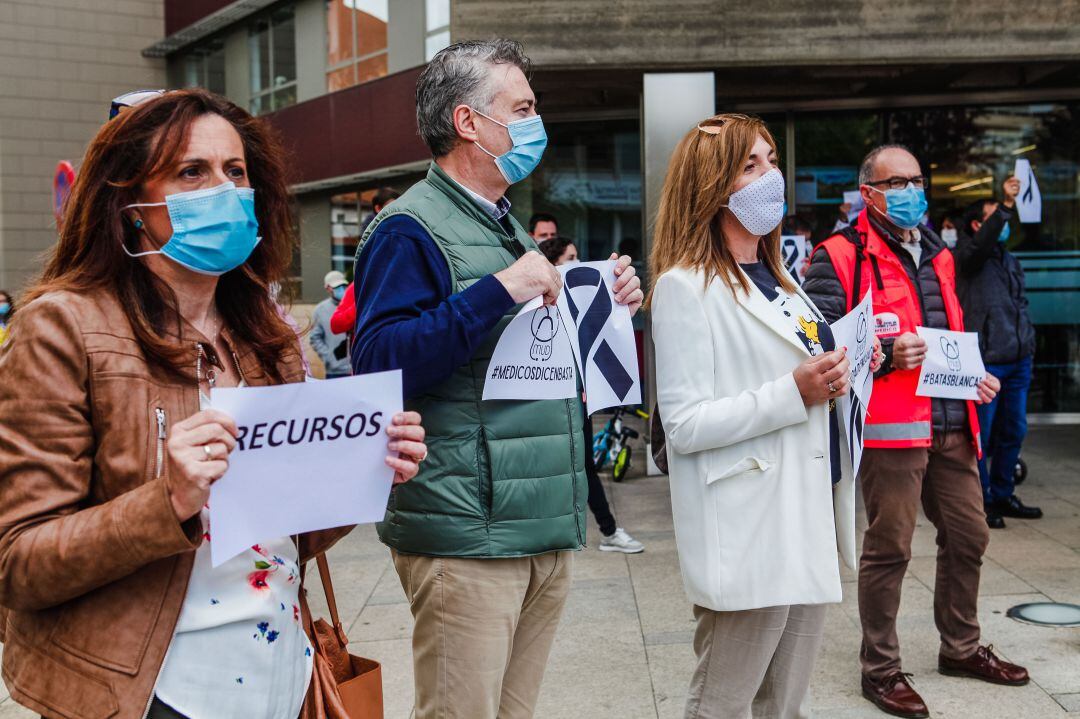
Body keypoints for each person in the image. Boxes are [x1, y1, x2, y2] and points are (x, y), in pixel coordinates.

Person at [0, 88, 427, 719]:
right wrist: (167, 501)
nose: (223, 190)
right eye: (191, 171)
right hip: (151, 691)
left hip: (281, 676)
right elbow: (18, 561)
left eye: (236, 172)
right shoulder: (61, 328)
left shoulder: (269, 338)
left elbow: (285, 534)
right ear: (131, 204)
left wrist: (365, 471)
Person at [351, 40, 643, 719]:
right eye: (523, 108)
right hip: (468, 535)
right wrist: (498, 289)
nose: (537, 123)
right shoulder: (408, 228)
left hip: (538, 525)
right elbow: (378, 363)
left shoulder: (505, 223)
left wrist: (605, 301)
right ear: (468, 123)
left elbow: (531, 353)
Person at [650, 113, 865, 719]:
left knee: (785, 704)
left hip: (805, 512)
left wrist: (843, 367)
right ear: (713, 184)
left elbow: (804, 371)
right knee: (722, 703)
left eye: (772, 161)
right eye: (751, 165)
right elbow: (685, 424)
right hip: (747, 526)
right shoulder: (684, 288)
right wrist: (794, 392)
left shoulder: (781, 280)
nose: (770, 176)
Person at [803, 144, 1028, 719]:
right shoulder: (838, 254)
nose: (911, 191)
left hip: (952, 424)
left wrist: (973, 378)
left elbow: (948, 329)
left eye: (917, 180)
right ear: (870, 193)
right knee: (890, 548)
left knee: (970, 534)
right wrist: (881, 350)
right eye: (897, 182)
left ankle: (962, 647)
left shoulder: (940, 253)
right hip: (891, 430)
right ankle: (880, 670)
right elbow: (818, 339)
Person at [539, 234, 644, 554]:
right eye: (570, 258)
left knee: (583, 464)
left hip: (574, 399)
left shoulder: (580, 300)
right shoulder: (541, 306)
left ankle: (608, 529)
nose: (577, 262)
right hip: (550, 403)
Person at [954, 177, 1041, 528]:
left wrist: (1029, 343)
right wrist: (1005, 206)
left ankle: (1004, 494)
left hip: (1018, 361)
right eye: (996, 220)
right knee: (983, 436)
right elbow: (984, 243)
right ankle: (983, 499)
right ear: (980, 225)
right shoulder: (968, 256)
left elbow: (1019, 303)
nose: (1004, 227)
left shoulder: (1009, 260)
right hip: (987, 363)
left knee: (1013, 431)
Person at [310, 269, 351, 378]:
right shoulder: (320, 310)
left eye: (343, 285)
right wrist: (329, 358)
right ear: (328, 288)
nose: (342, 289)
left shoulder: (353, 305)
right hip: (334, 372)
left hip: (355, 369)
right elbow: (315, 338)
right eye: (337, 286)